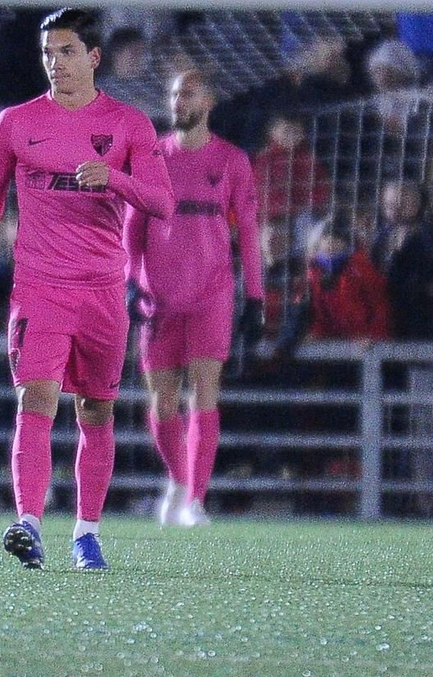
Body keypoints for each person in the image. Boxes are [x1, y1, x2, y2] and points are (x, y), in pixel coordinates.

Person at [0, 7, 174, 570]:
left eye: (67, 52)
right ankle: (28, 523)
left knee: (96, 411)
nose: (56, 63)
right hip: (39, 287)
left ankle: (86, 534)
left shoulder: (129, 124)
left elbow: (163, 202)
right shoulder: (15, 123)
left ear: (94, 57)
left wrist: (114, 178)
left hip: (103, 289)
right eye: (48, 53)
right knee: (35, 398)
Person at [124, 71, 263, 529]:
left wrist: (255, 296)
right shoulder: (150, 157)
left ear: (209, 100)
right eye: (172, 94)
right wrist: (130, 283)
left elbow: (249, 231)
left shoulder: (232, 161)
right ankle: (179, 480)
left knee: (204, 395)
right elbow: (132, 229)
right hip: (157, 298)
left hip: (211, 295)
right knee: (162, 403)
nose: (177, 101)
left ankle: (195, 500)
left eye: (186, 93)